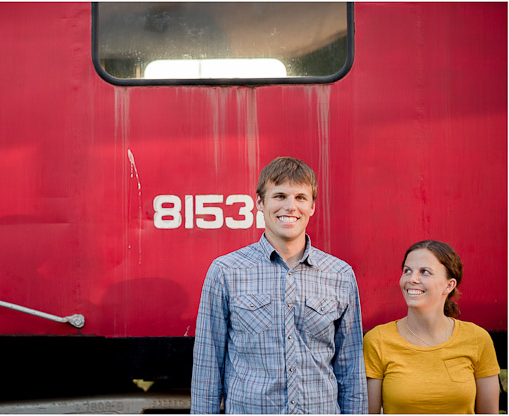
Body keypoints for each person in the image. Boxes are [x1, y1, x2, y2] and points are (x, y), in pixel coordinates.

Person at [191, 156, 367, 414]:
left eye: (300, 198)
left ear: (312, 206)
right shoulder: (226, 272)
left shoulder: (341, 275)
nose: (290, 206)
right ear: (260, 203)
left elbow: (351, 369)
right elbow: (208, 366)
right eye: (280, 196)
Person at [363, 240, 500, 414]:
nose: (412, 279)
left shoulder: (477, 339)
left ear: (449, 285)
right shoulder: (377, 340)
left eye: (425, 272)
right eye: (407, 271)